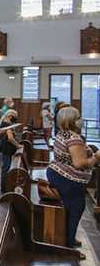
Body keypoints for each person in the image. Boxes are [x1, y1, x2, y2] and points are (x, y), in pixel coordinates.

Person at [46, 107, 100, 254]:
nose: (80, 119)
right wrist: (96, 158)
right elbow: (80, 163)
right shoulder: (73, 138)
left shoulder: (62, 133)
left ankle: (69, 237)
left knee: (70, 209)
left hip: (58, 173)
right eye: (78, 117)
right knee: (75, 209)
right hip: (68, 179)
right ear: (71, 120)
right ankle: (68, 247)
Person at [0, 109, 22, 194]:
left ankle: (4, 186)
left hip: (5, 148)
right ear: (10, 117)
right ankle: (4, 187)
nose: (16, 119)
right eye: (16, 117)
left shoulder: (5, 123)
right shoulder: (7, 125)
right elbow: (11, 138)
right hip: (6, 149)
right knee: (6, 168)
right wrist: (18, 145)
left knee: (5, 167)